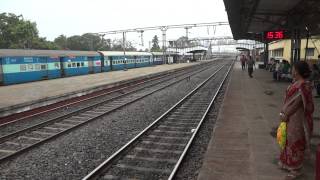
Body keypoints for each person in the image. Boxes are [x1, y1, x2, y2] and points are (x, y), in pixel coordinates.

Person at [278, 61, 314, 179]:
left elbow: (296, 104)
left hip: (297, 119)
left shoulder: (303, 85)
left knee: (295, 141)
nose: (291, 70)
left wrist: (286, 114)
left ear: (297, 71)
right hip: (290, 118)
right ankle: (287, 163)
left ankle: (296, 169)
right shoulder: (297, 83)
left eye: (293, 68)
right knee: (288, 140)